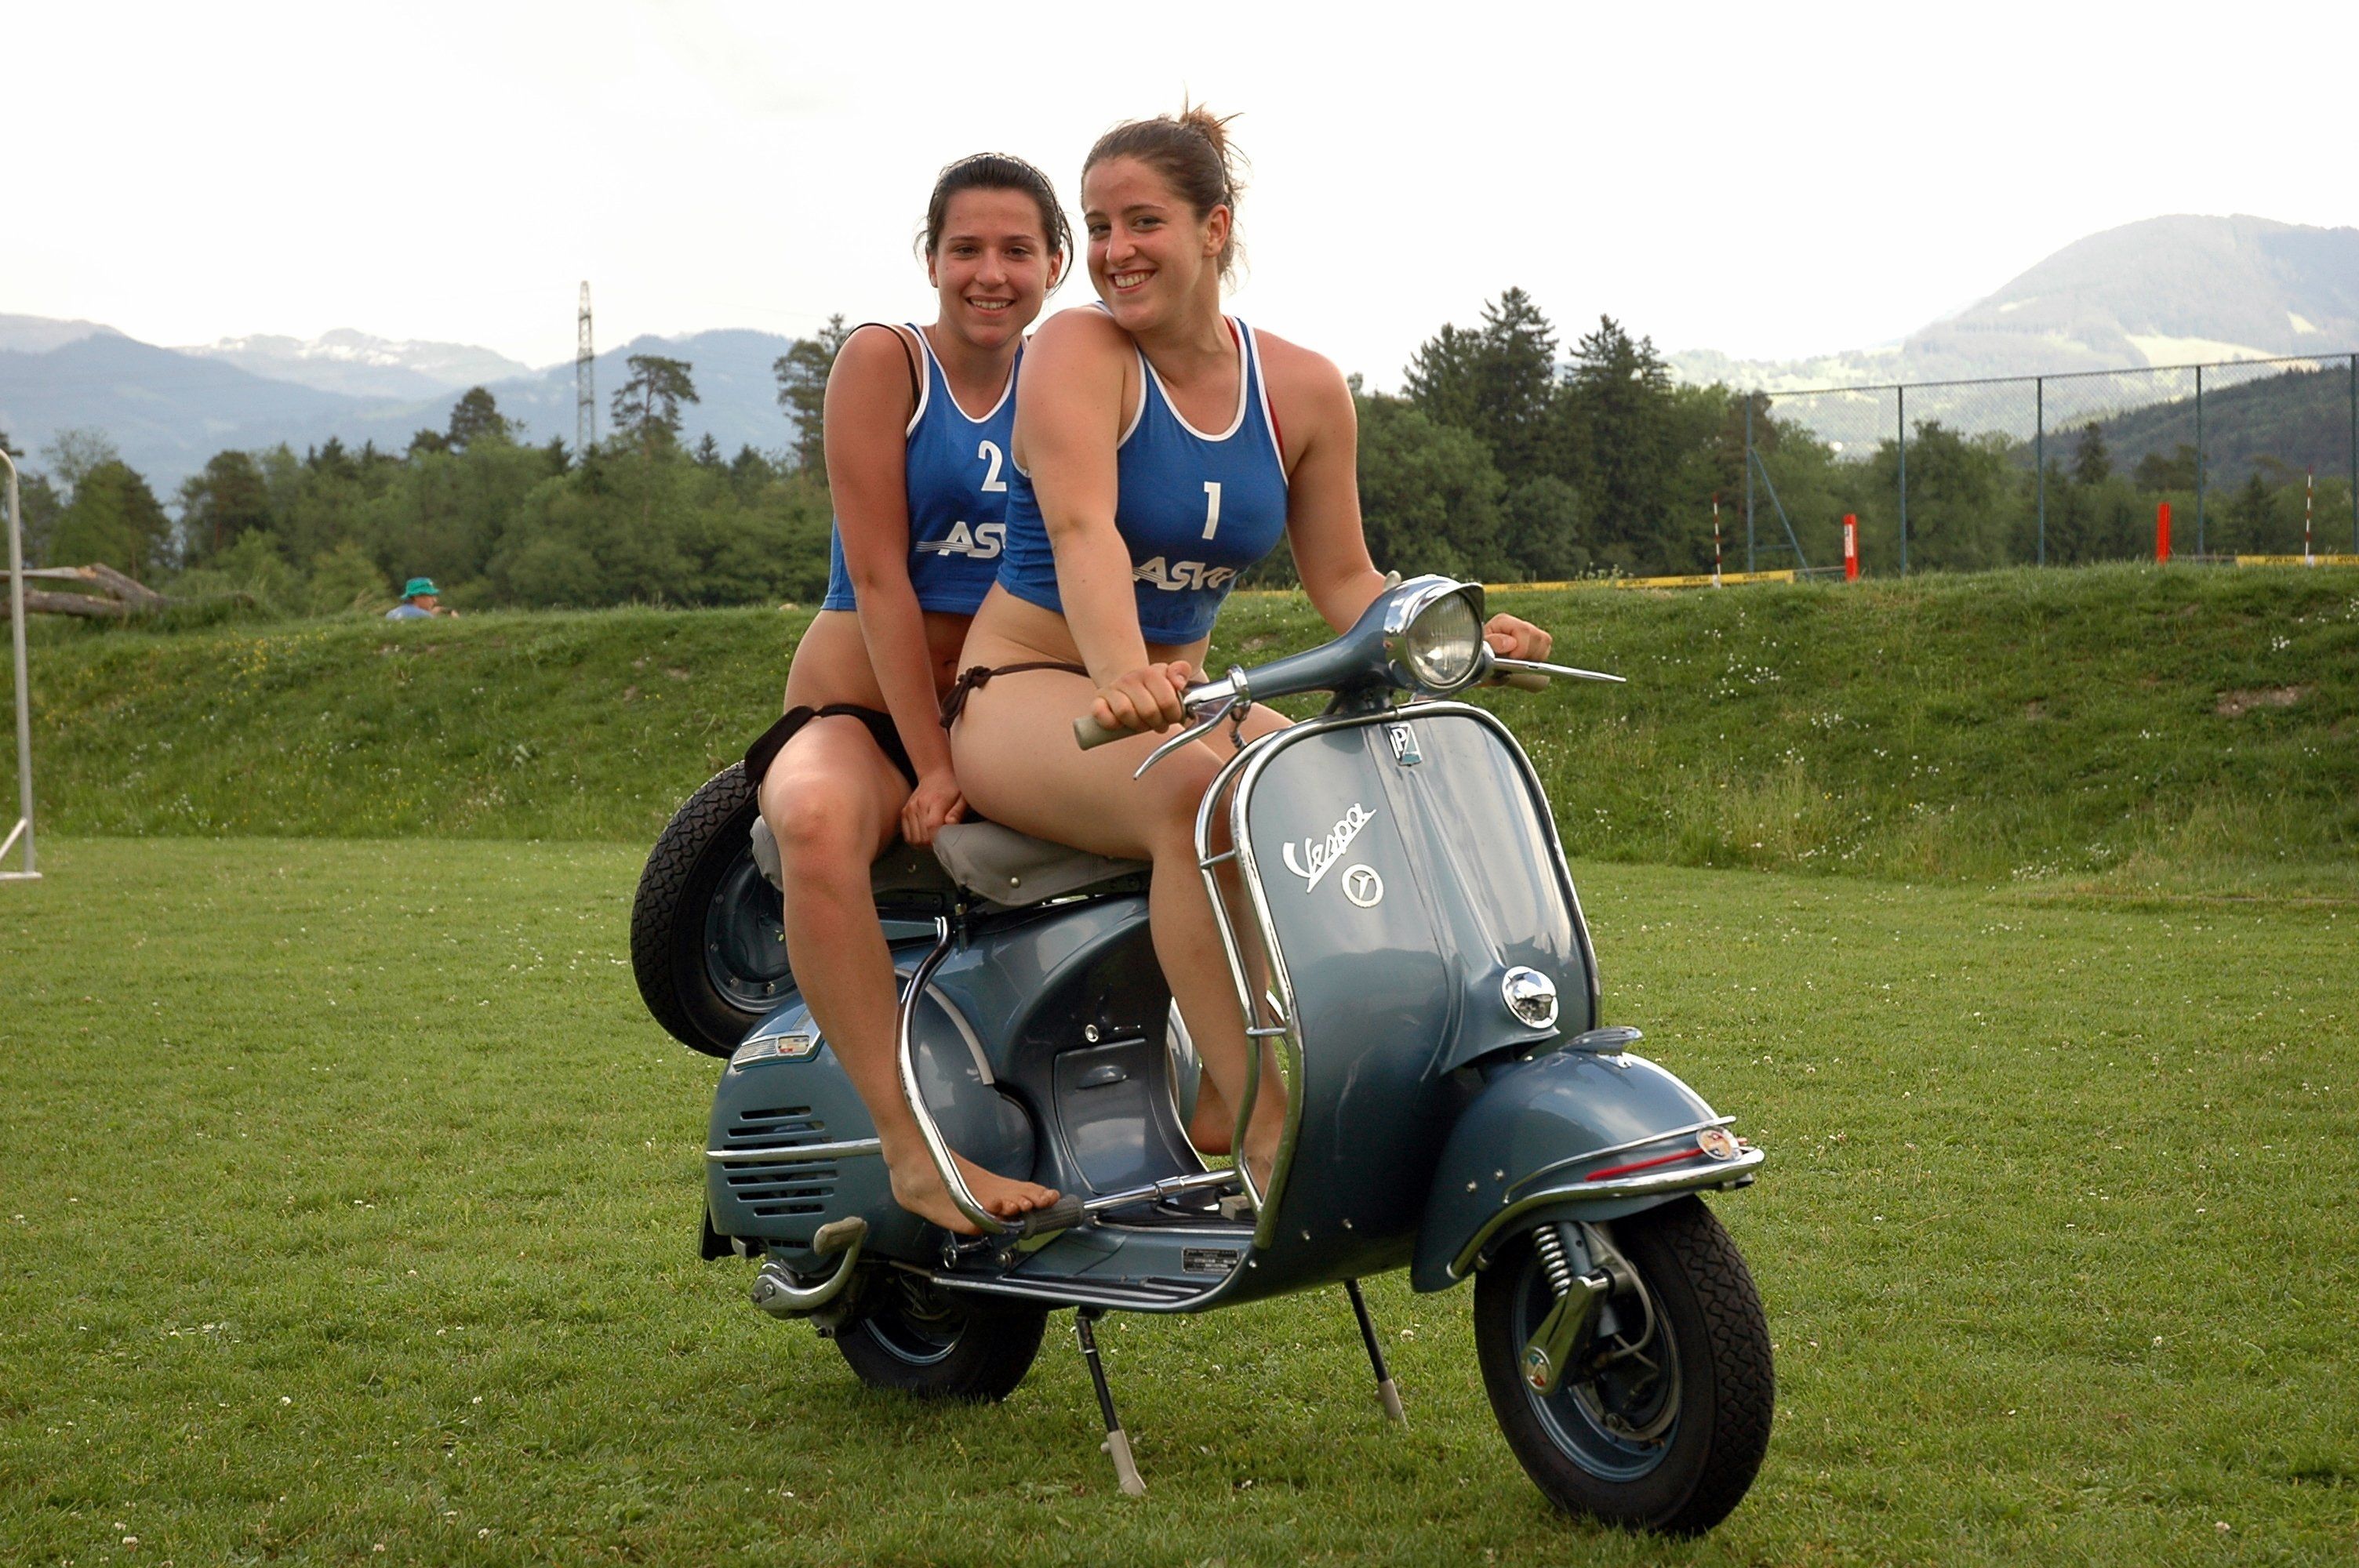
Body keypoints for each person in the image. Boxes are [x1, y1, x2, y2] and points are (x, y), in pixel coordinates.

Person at [947, 108, 1552, 1191]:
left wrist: (1457, 627)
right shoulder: (1077, 351)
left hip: (1174, 698)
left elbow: (1348, 582)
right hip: (1029, 691)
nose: (1115, 250)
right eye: (1098, 226)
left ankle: (1366, 1076)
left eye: (1143, 222)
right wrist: (1123, 673)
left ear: (1214, 228)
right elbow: (1082, 529)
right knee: (1196, 799)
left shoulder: (1302, 388)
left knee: (1342, 792)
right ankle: (1264, 1122)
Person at [750, 153, 1071, 1235]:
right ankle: (911, 1148)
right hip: (864, 712)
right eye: (965, 248)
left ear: (1056, 264)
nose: (990, 272)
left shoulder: (1070, 379)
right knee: (811, 820)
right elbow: (881, 578)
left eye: (1016, 250)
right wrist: (932, 762)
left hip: (998, 707)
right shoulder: (885, 361)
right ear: (930, 259)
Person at [384, 578, 451, 619]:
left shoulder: (390, 614)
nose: (435, 600)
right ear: (417, 597)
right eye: (431, 596)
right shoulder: (424, 616)